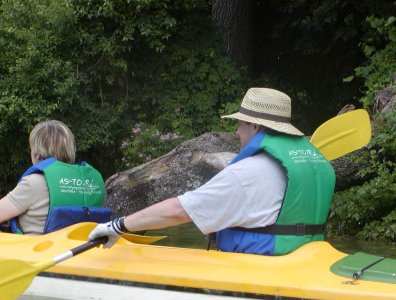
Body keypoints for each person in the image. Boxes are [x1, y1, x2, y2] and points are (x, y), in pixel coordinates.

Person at [89, 88, 336, 255]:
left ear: (255, 126)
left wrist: (118, 226)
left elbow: (178, 211)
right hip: (302, 263)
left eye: (240, 123)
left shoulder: (247, 173)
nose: (237, 132)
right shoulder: (314, 164)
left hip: (257, 274)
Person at [0, 120, 111, 235]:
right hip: (80, 250)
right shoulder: (95, 183)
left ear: (37, 154)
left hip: (38, 251)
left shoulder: (34, 183)